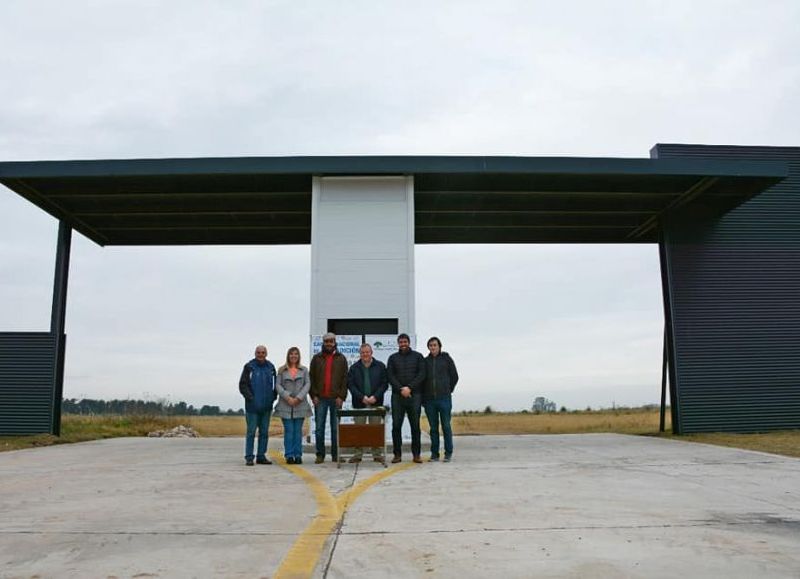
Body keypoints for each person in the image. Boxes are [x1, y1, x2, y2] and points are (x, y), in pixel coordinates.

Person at [309, 332, 348, 464]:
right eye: (326, 341)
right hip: (320, 399)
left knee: (335, 429)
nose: (329, 344)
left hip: (335, 399)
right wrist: (313, 395)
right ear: (323, 343)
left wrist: (341, 397)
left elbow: (345, 379)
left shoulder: (341, 358)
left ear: (335, 342)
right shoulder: (316, 358)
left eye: (331, 341)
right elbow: (311, 378)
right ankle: (320, 455)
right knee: (319, 428)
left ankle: (335, 455)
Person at [346, 343, 389, 463]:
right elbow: (351, 385)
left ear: (371, 353)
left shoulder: (380, 366)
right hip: (359, 403)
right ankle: (358, 454)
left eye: (367, 352)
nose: (365, 354)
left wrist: (375, 396)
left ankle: (377, 454)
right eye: (363, 352)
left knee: (375, 429)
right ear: (360, 354)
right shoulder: (354, 368)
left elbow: (384, 384)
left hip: (376, 403)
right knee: (359, 429)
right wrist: (362, 397)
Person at [386, 333, 425, 463]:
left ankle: (416, 455)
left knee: (415, 427)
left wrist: (409, 388)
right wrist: (401, 389)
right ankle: (397, 455)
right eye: (401, 342)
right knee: (396, 426)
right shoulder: (392, 358)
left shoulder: (418, 357)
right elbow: (390, 376)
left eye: (405, 342)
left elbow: (422, 374)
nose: (403, 344)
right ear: (398, 343)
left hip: (415, 396)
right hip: (398, 396)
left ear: (409, 343)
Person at [422, 336, 459, 462]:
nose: (433, 347)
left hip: (444, 399)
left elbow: (454, 376)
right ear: (428, 347)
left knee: (446, 426)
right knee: (433, 428)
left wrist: (449, 389)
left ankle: (448, 453)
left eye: (435, 345)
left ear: (439, 346)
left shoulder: (446, 359)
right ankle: (434, 454)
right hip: (429, 400)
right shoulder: (425, 361)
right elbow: (422, 380)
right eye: (430, 345)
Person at [238, 344, 277, 466]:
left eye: (263, 352)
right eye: (258, 352)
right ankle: (249, 457)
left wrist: (272, 398)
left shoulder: (271, 367)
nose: (261, 354)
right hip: (252, 407)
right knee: (251, 432)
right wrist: (250, 398)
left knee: (264, 432)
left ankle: (261, 456)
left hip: (266, 407)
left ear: (266, 354)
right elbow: (242, 385)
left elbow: (275, 385)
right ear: (255, 354)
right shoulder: (249, 367)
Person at [274, 347, 312, 464]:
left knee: (297, 431)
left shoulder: (304, 370)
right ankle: (289, 455)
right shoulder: (281, 370)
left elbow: (307, 384)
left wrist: (299, 397)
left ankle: (298, 455)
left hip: (300, 405)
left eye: (296, 354)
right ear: (288, 356)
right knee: (289, 431)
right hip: (285, 405)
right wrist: (287, 397)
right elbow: (278, 386)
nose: (294, 356)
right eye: (291, 354)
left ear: (299, 356)